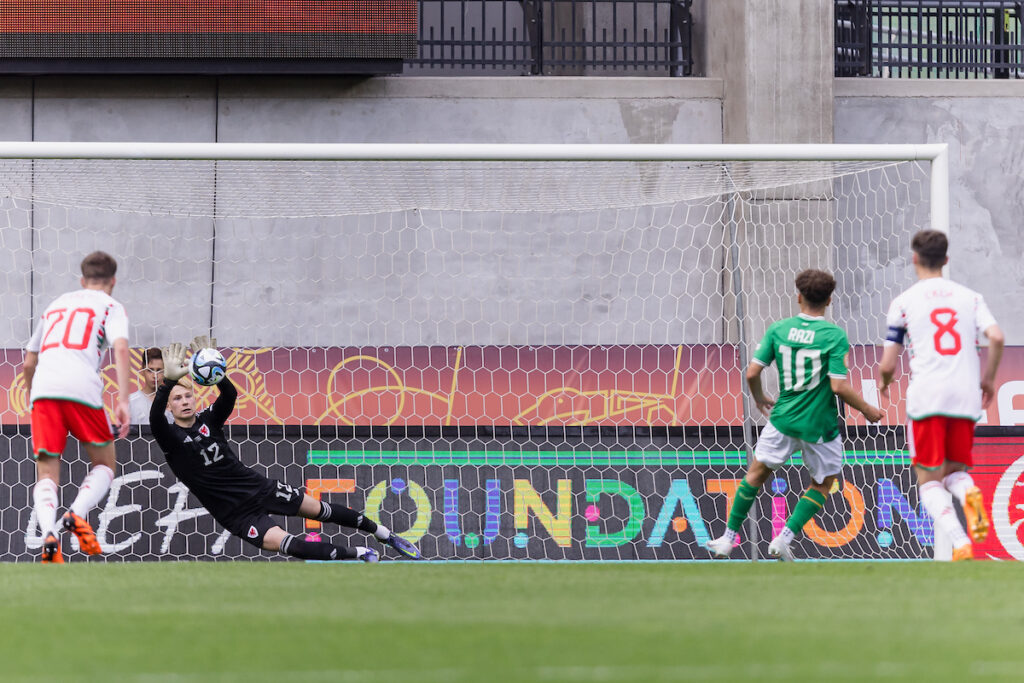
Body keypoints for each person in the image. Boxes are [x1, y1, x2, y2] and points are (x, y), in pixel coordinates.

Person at [151, 336, 422, 562]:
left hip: (260, 488)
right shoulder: (170, 437)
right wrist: (167, 384)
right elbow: (154, 420)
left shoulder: (209, 420)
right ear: (169, 406)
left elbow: (230, 396)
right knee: (292, 545)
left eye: (188, 395)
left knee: (321, 510)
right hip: (236, 515)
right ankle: (360, 553)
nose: (185, 401)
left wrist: (217, 373)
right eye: (177, 398)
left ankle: (384, 534)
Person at [707, 269, 883, 561]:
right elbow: (837, 386)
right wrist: (867, 409)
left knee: (755, 475)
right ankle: (783, 538)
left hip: (783, 418)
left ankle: (727, 539)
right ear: (829, 300)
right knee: (823, 483)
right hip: (820, 425)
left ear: (798, 296)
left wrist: (760, 395)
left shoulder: (779, 329)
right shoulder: (834, 335)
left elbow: (752, 371)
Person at [877, 229, 1004, 561]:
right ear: (946, 260)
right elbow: (997, 337)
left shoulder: (904, 302)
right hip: (965, 398)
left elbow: (889, 361)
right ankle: (970, 493)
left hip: (927, 398)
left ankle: (961, 542)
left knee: (929, 479)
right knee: (956, 472)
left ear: (914, 259)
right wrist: (988, 380)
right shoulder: (970, 297)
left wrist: (885, 381)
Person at [23, 251, 131, 563]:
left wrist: (33, 396)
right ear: (112, 281)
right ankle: (76, 513)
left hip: (44, 389)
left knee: (46, 471)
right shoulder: (111, 306)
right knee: (104, 464)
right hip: (82, 387)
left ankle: (48, 534)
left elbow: (30, 361)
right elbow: (121, 348)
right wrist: (123, 399)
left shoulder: (56, 304)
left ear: (82, 280)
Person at [129, 347, 170, 426]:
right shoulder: (130, 402)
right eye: (150, 370)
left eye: (159, 370)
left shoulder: (174, 400)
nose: (155, 375)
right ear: (142, 371)